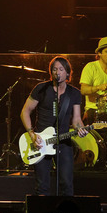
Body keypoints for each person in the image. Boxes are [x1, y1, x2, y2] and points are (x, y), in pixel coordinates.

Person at [21, 56, 88, 196]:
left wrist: (80, 128)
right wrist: (31, 134)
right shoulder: (41, 89)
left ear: (68, 73)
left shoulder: (74, 93)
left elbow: (76, 119)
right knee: (42, 186)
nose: (57, 72)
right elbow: (25, 112)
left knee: (67, 184)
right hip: (40, 142)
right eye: (55, 69)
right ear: (51, 72)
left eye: (61, 69)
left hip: (63, 141)